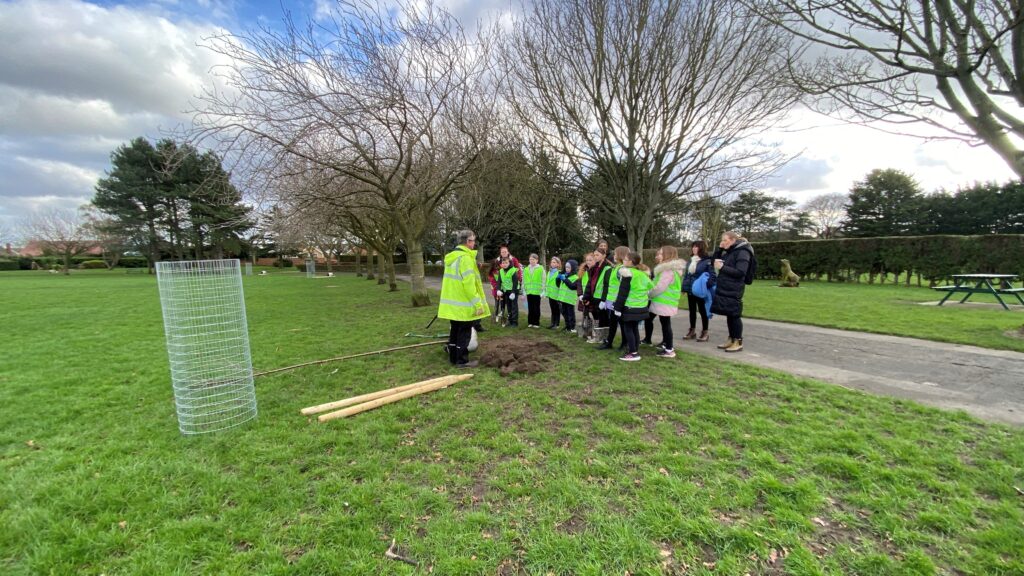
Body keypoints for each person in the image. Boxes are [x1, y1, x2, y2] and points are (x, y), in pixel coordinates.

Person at [439, 230, 490, 368]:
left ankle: (453, 357)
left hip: (453, 303)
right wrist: (478, 304)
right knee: (464, 333)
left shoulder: (452, 257)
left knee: (454, 331)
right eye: (473, 241)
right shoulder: (466, 258)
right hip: (464, 303)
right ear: (467, 241)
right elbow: (469, 285)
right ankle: (462, 361)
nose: (474, 243)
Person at [711, 231, 755, 353]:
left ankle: (738, 341)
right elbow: (713, 262)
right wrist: (719, 249)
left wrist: (722, 268)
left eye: (725, 240)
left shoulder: (743, 252)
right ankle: (731, 339)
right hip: (725, 286)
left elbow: (741, 272)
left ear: (733, 240)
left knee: (734, 315)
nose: (723, 242)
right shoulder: (731, 251)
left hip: (734, 288)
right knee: (729, 314)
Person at [611, 251, 653, 361]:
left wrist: (617, 308)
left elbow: (622, 292)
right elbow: (651, 287)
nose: (623, 260)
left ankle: (633, 353)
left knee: (628, 329)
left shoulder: (627, 273)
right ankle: (635, 350)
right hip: (641, 307)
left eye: (625, 259)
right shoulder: (643, 274)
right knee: (635, 329)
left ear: (631, 262)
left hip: (629, 307)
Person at [647, 245, 686, 358]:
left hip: (663, 302)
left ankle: (669, 349)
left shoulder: (667, 271)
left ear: (667, 255)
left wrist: (649, 294)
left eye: (661, 253)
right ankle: (667, 345)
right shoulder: (670, 270)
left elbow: (659, 287)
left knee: (666, 325)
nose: (658, 255)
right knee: (665, 324)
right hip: (665, 302)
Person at [596, 246, 629, 350]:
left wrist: (618, 302)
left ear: (620, 255)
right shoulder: (616, 268)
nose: (613, 256)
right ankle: (609, 343)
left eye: (615, 254)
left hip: (618, 302)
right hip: (612, 301)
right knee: (613, 323)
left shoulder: (622, 269)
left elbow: (624, 287)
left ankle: (624, 343)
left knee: (621, 323)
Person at [681, 240, 713, 342]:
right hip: (691, 290)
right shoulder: (691, 260)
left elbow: (712, 276)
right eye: (693, 247)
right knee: (692, 311)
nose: (694, 248)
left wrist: (705, 286)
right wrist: (684, 288)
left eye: (696, 247)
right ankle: (692, 331)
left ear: (701, 248)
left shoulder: (707, 261)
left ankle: (705, 332)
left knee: (703, 311)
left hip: (700, 290)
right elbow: (687, 275)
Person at [587, 248, 612, 343]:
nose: (595, 257)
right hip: (595, 296)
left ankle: (604, 337)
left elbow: (606, 284)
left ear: (604, 255)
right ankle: (599, 337)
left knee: (603, 318)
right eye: (594, 255)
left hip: (602, 297)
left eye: (597, 255)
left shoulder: (607, 267)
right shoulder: (595, 266)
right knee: (598, 317)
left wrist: (603, 299)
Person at [522, 253, 545, 328]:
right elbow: (523, 280)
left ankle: (536, 323)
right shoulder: (526, 269)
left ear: (537, 260)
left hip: (537, 292)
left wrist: (543, 291)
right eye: (530, 259)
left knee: (536, 308)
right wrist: (523, 290)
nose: (532, 261)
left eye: (533, 259)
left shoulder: (541, 269)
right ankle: (530, 322)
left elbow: (544, 280)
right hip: (529, 292)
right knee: (530, 308)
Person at [496, 257, 520, 327]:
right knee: (509, 306)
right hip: (506, 291)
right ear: (501, 264)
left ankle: (515, 322)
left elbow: (515, 282)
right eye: (503, 263)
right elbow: (499, 281)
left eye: (506, 263)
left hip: (514, 291)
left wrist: (513, 292)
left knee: (514, 307)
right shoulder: (501, 271)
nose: (505, 264)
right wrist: (498, 289)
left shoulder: (513, 270)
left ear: (509, 263)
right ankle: (510, 321)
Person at [558, 258, 580, 333]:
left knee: (571, 314)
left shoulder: (576, 277)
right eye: (566, 267)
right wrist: (558, 279)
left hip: (570, 300)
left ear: (573, 268)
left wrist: (565, 279)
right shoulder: (565, 275)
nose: (567, 269)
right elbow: (558, 285)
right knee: (565, 313)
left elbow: (572, 286)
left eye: (569, 267)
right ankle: (567, 327)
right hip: (563, 299)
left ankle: (572, 328)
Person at [545, 256, 563, 329]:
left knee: (557, 310)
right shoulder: (549, 272)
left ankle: (557, 324)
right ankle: (552, 323)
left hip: (556, 295)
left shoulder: (560, 273)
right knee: (552, 309)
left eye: (554, 262)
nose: (552, 263)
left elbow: (560, 285)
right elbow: (548, 282)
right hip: (550, 294)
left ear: (558, 264)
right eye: (552, 262)